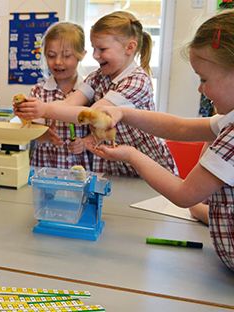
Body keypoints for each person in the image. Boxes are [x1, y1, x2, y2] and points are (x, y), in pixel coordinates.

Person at [88, 9, 234, 270]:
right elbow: (179, 128)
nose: (200, 89)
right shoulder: (229, 122)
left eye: (204, 79)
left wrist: (131, 154)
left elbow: (184, 194)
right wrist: (123, 112)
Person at [15, 11, 177, 177]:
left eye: (102, 49)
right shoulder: (97, 77)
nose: (95, 55)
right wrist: (34, 108)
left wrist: (45, 110)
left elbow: (93, 115)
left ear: (129, 48)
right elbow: (69, 103)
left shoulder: (137, 82)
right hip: (112, 165)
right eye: (94, 48)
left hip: (146, 166)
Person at [27, 22, 92, 170]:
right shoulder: (38, 92)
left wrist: (83, 143)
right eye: (51, 56)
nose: (57, 62)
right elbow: (34, 133)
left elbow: (98, 133)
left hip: (79, 170)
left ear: (81, 54)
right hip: (44, 167)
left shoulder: (90, 91)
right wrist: (46, 136)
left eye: (66, 56)